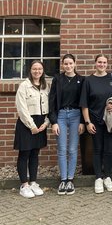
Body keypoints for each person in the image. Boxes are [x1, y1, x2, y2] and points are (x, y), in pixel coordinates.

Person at [80, 54, 112, 194]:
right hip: (95, 121)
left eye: (104, 62)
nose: (102, 64)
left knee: (110, 150)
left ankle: (108, 177)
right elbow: (84, 104)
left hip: (110, 121)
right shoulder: (88, 80)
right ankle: (98, 177)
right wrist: (87, 122)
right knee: (97, 149)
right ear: (95, 63)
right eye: (99, 62)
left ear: (107, 64)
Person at [49, 54, 85, 196]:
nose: (68, 66)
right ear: (62, 65)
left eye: (71, 63)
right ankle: (63, 180)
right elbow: (52, 101)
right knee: (62, 148)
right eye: (66, 64)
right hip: (61, 116)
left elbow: (84, 102)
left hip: (76, 115)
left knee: (72, 149)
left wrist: (82, 121)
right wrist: (54, 122)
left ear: (75, 64)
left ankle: (70, 179)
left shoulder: (81, 80)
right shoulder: (57, 79)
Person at [14, 60, 50, 198]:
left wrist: (46, 123)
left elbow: (49, 107)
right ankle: (24, 185)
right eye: (34, 69)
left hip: (41, 123)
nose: (37, 71)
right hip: (27, 124)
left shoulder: (45, 86)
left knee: (35, 153)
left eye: (40, 69)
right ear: (30, 70)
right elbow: (21, 108)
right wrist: (32, 126)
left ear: (43, 70)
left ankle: (33, 182)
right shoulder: (24, 86)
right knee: (25, 153)